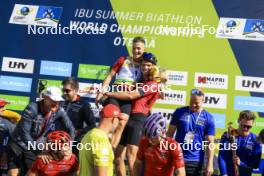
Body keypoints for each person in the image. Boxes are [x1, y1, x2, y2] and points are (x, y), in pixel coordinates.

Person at [104, 52, 162, 176]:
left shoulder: (153, 85)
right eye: (143, 65)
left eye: (148, 65)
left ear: (154, 68)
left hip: (139, 121)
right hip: (129, 118)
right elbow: (127, 91)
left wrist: (109, 93)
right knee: (118, 157)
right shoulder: (140, 80)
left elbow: (131, 95)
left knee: (131, 157)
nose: (145, 67)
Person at [7, 86, 75, 176]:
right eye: (53, 100)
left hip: (34, 144)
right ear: (45, 98)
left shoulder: (59, 110)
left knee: (33, 171)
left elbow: (70, 128)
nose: (56, 103)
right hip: (17, 142)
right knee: (14, 172)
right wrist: (40, 152)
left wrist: (69, 146)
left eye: (58, 101)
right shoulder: (33, 107)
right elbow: (24, 133)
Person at [95, 36, 146, 148]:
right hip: (116, 93)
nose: (136, 51)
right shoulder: (123, 60)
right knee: (109, 120)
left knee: (121, 124)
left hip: (127, 98)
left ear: (143, 49)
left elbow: (155, 77)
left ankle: (110, 152)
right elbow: (109, 76)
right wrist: (101, 91)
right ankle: (99, 147)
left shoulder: (145, 65)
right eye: (134, 48)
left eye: (139, 48)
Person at [167, 89, 215, 176]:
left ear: (203, 100)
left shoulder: (208, 117)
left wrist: (210, 164)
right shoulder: (179, 112)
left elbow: (210, 143)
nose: (193, 105)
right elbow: (169, 134)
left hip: (196, 161)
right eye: (191, 101)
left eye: (196, 103)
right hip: (177, 158)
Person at [78, 104, 123, 176]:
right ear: (114, 119)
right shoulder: (101, 139)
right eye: (119, 120)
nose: (118, 123)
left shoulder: (89, 134)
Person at [218, 110, 262, 176]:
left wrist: (241, 163)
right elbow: (222, 156)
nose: (245, 129)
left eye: (249, 127)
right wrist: (224, 174)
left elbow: (255, 164)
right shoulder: (228, 135)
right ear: (238, 121)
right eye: (243, 126)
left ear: (252, 124)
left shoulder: (256, 139)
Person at [61, 77, 96, 153]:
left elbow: (92, 125)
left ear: (75, 90)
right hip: (58, 140)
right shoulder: (60, 102)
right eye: (63, 90)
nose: (64, 93)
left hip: (74, 142)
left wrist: (79, 132)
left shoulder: (84, 105)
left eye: (67, 91)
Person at [0, 99, 21, 175]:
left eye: (3, 107)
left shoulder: (8, 119)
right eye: (2, 107)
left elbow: (19, 118)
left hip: (6, 148)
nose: (4, 109)